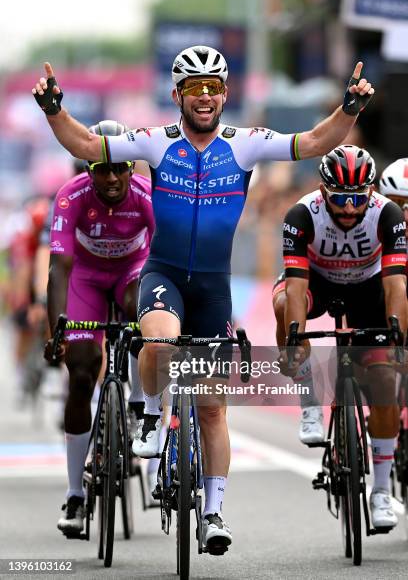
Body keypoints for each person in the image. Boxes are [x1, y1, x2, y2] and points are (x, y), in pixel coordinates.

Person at [33, 46, 374, 554]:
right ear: (177, 96)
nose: (206, 96)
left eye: (214, 87)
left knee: (213, 409)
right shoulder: (152, 141)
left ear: (225, 93)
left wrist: (349, 108)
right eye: (195, 88)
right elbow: (85, 141)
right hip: (165, 274)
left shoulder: (246, 145)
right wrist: (54, 108)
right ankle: (150, 411)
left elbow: (314, 142)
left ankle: (213, 512)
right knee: (159, 343)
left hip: (214, 285)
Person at [272, 144, 407, 528]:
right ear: (323, 191)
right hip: (316, 283)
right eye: (340, 199)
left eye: (357, 199)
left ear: (370, 193)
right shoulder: (302, 214)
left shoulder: (388, 213)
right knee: (285, 307)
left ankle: (381, 491)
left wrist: (397, 339)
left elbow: (396, 286)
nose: (349, 209)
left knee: (383, 381)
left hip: (368, 289)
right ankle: (310, 400)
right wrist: (295, 340)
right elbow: (296, 290)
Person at [44, 120, 155, 536]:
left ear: (132, 169)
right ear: (87, 170)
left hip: (134, 271)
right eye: (100, 169)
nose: (111, 178)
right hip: (85, 280)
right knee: (81, 374)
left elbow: (164, 262)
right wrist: (56, 327)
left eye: (119, 169)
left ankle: (141, 401)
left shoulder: (147, 195)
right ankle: (75, 494)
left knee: (143, 312)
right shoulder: (70, 197)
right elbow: (59, 269)